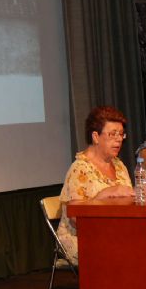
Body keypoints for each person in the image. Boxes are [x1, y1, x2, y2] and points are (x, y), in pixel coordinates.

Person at [56, 106, 134, 265]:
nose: (119, 139)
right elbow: (75, 218)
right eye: (113, 134)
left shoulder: (119, 165)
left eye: (121, 134)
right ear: (96, 137)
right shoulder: (80, 169)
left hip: (116, 232)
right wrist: (102, 195)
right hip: (80, 237)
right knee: (123, 251)